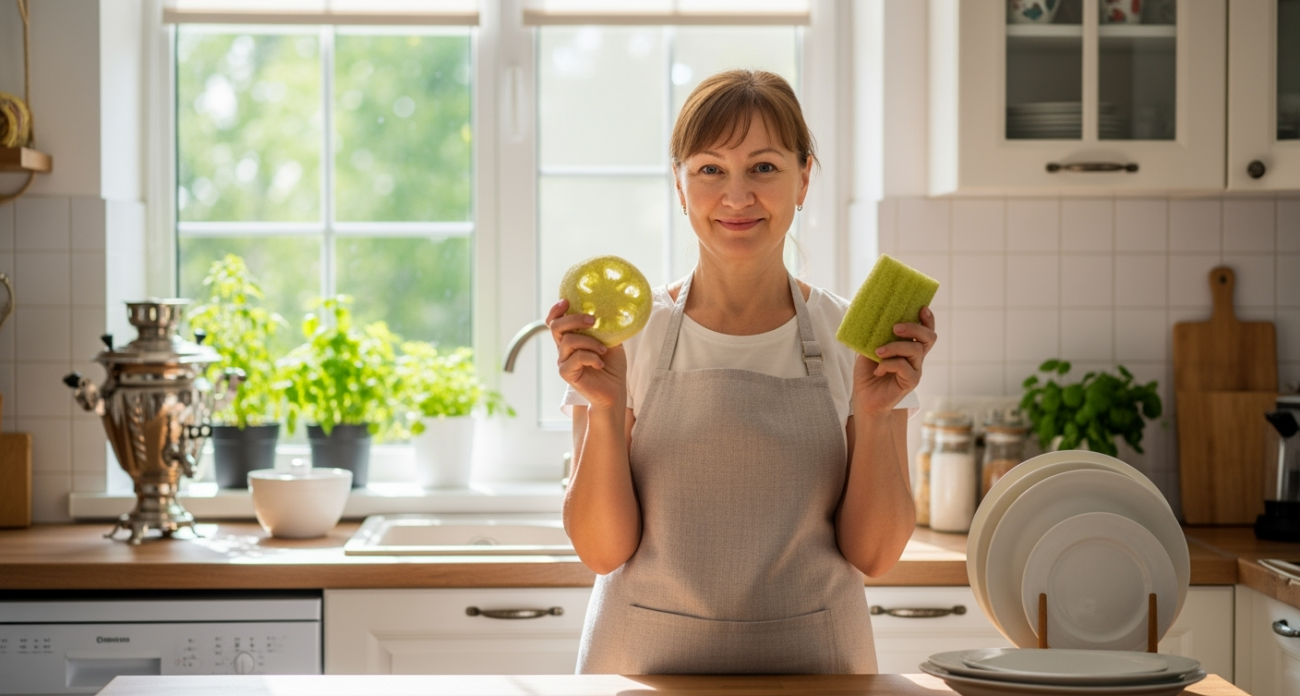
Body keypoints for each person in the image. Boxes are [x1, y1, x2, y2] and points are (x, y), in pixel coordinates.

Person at [546, 69, 937, 675]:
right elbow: (602, 551)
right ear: (679, 186)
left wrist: (877, 414)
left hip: (816, 673)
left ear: (803, 178)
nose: (736, 196)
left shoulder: (857, 343)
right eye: (710, 169)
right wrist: (604, 406)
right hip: (642, 670)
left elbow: (875, 554)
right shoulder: (624, 340)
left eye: (763, 167)